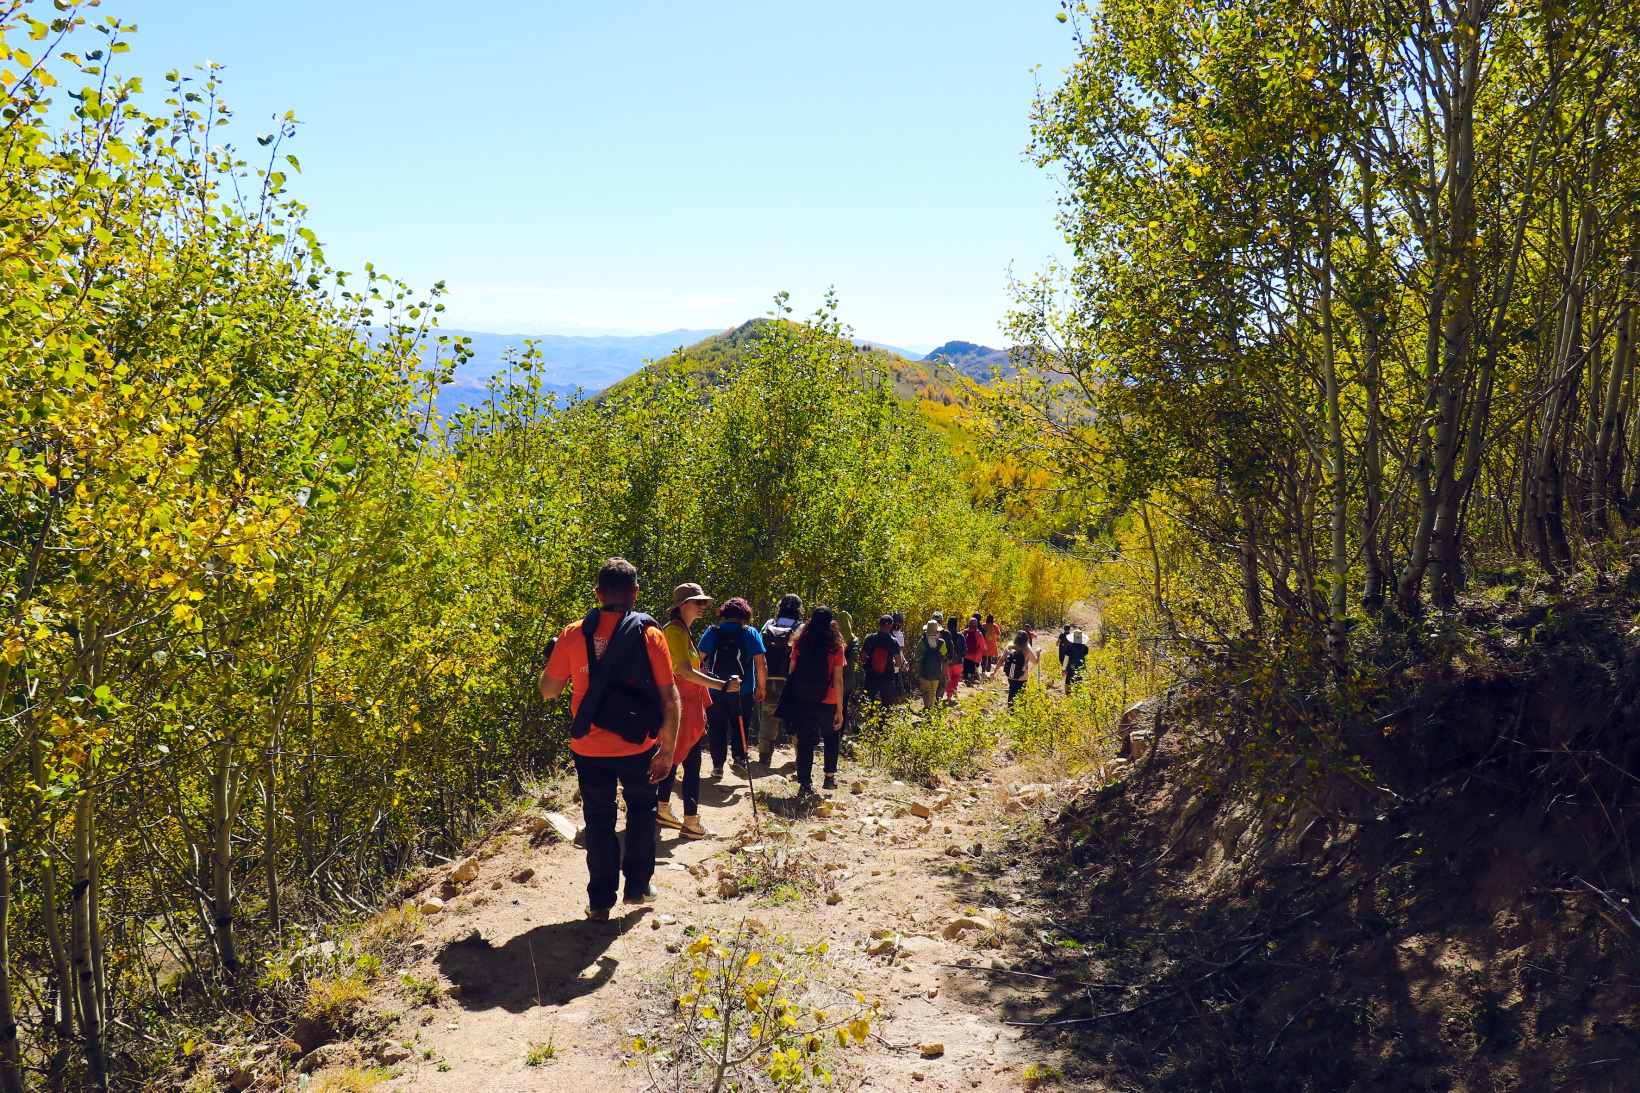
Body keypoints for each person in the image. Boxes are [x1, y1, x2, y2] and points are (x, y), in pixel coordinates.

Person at [539, 557, 680, 921]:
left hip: (588, 746)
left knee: (599, 818)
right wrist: (667, 750)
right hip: (638, 744)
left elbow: (549, 691)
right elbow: (669, 697)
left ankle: (600, 902)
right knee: (641, 810)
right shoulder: (650, 634)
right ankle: (637, 889)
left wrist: (557, 660)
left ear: (598, 593)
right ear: (634, 593)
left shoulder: (572, 634)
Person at [657, 584, 741, 839]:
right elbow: (684, 671)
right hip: (680, 705)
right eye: (698, 602)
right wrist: (722, 686)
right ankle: (690, 821)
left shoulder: (683, 631)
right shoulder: (674, 632)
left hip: (687, 705)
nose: (703, 606)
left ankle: (662, 809)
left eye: (704, 602)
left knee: (679, 756)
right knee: (686, 759)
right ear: (682, 606)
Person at [777, 606, 848, 794]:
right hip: (829, 700)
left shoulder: (800, 642)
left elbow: (791, 672)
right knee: (832, 737)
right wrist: (839, 710)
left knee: (805, 741)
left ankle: (805, 785)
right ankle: (829, 778)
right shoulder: (836, 646)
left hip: (803, 699)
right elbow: (838, 679)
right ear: (832, 624)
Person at [697, 597, 768, 779]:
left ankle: (717, 766)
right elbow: (761, 664)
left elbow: (698, 659)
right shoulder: (750, 632)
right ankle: (739, 759)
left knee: (717, 727)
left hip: (715, 689)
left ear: (724, 613)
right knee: (740, 726)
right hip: (742, 691)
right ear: (745, 614)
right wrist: (761, 687)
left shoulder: (712, 631)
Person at [759, 594, 803, 767]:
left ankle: (764, 755)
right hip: (791, 680)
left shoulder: (769, 624)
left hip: (769, 677)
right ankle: (800, 756)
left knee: (768, 714)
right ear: (799, 609)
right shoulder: (801, 627)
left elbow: (760, 649)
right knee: (795, 716)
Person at [860, 613, 907, 708]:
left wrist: (871, 662)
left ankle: (870, 720)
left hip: (871, 675)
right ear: (891, 625)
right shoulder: (893, 641)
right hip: (887, 676)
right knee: (886, 704)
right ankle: (883, 721)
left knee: (869, 701)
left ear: (879, 624)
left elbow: (862, 657)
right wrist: (891, 663)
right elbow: (899, 663)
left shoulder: (870, 638)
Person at [913, 620, 947, 710]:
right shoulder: (941, 642)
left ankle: (927, 707)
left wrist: (916, 662)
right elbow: (944, 653)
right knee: (933, 690)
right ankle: (931, 707)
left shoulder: (922, 642)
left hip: (924, 669)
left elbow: (917, 657)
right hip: (936, 671)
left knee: (926, 690)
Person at [1001, 629, 1040, 706]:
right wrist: (1038, 654)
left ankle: (1010, 710)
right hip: (1023, 676)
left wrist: (995, 671)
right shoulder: (1027, 650)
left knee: (1012, 691)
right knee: (1021, 693)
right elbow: (1035, 662)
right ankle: (1019, 711)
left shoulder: (1010, 647)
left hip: (1011, 675)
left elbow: (1002, 659)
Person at [941, 616, 966, 701]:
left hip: (947, 660)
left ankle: (948, 692)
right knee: (957, 676)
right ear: (957, 625)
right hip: (958, 661)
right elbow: (964, 650)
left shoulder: (944, 635)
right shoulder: (960, 636)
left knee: (948, 677)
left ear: (947, 625)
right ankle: (952, 690)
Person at [962, 614, 985, 685]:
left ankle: (966, 678)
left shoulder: (965, 632)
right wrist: (983, 648)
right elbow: (981, 644)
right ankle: (971, 677)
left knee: (966, 665)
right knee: (972, 666)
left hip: (966, 652)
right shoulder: (978, 633)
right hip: (974, 654)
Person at [1064, 627, 1089, 692]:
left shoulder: (1069, 647)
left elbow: (1066, 659)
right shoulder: (1085, 648)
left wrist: (1064, 669)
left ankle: (1068, 695)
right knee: (1080, 683)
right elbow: (1087, 659)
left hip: (1071, 668)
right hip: (1082, 668)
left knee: (1068, 683)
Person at [982, 614, 1002, 678]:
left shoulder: (983, 625)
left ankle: (983, 671)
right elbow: (999, 634)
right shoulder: (995, 626)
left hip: (984, 643)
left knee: (984, 657)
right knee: (989, 658)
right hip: (992, 643)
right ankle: (988, 671)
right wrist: (995, 637)